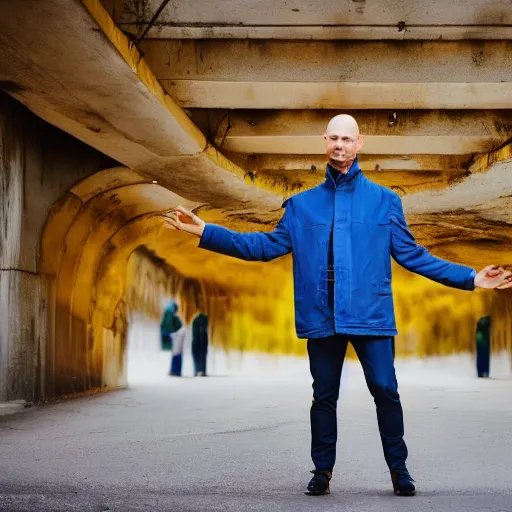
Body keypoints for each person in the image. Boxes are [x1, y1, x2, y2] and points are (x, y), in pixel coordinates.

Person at [166, 114, 512, 497]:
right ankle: (322, 472)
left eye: (347, 139)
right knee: (324, 395)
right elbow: (262, 247)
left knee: (385, 389)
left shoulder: (385, 202)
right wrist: (206, 232)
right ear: (325, 141)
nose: (340, 145)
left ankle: (400, 471)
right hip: (322, 317)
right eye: (334, 138)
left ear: (359, 144)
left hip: (371, 316)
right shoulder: (302, 206)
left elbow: (413, 255)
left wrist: (470, 277)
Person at [191, 312, 209, 376]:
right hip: (198, 339)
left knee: (199, 353)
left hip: (199, 339)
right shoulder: (196, 319)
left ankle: (199, 370)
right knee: (200, 353)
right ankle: (200, 370)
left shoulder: (196, 319)